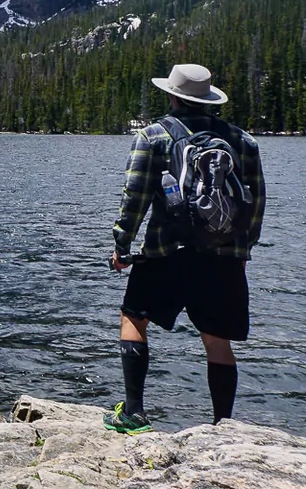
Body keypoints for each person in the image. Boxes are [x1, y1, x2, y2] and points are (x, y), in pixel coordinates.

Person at [104, 63, 266, 435]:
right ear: (208, 99)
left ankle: (133, 413)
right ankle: (223, 426)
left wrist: (121, 246)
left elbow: (136, 197)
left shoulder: (154, 135)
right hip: (224, 256)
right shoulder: (243, 141)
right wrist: (243, 252)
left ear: (172, 96)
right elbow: (255, 202)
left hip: (166, 250)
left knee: (134, 317)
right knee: (217, 337)